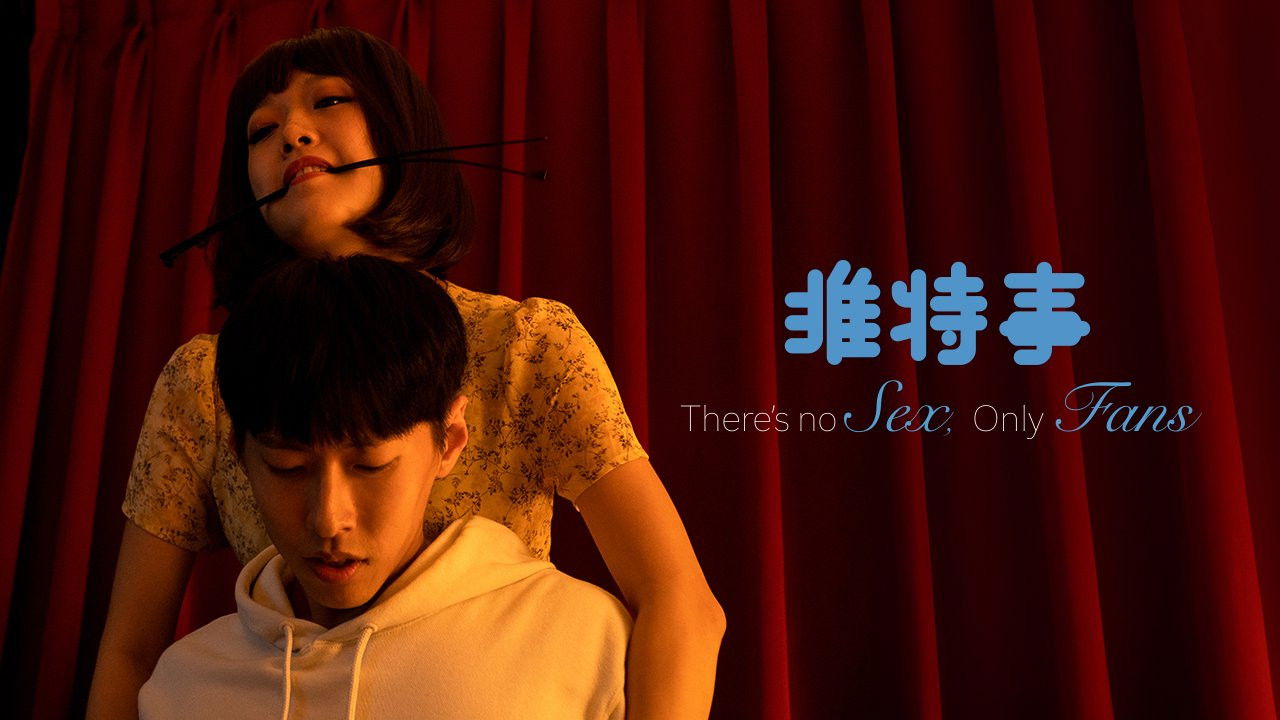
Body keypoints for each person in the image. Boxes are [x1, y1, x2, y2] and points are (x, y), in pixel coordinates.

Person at [87, 26, 723, 720]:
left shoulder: (524, 344)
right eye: (261, 131)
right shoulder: (202, 379)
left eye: (328, 101)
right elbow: (130, 650)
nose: (292, 134)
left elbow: (679, 599)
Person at [138, 255, 631, 720]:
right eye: (288, 468)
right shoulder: (184, 687)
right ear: (240, 456)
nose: (328, 520)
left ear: (449, 441)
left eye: (370, 466)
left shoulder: (579, 640)